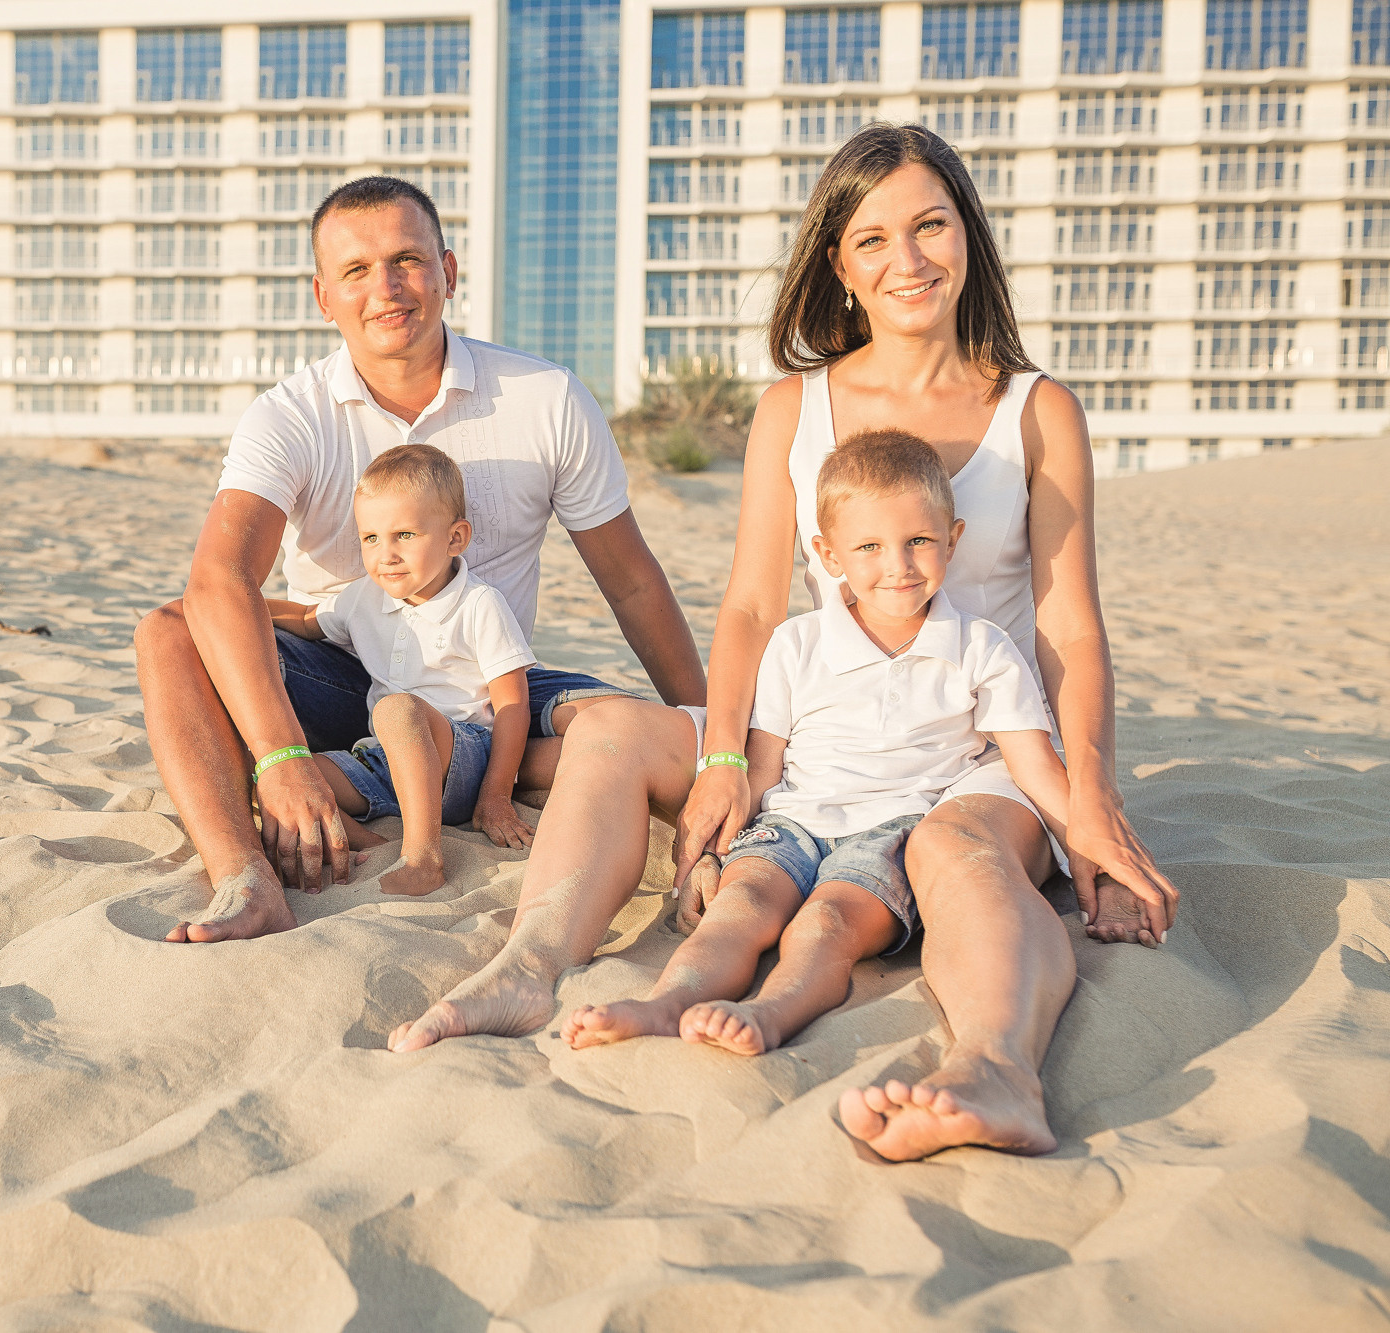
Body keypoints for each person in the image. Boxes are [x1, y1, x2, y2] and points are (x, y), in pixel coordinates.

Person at [387, 124, 1179, 1164]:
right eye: (873, 240)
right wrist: (724, 757)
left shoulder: (1036, 410)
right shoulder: (793, 406)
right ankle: (530, 965)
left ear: (968, 237)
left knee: (951, 849)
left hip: (976, 747)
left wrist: (1094, 803)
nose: (907, 260)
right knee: (609, 732)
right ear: (839, 266)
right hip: (813, 729)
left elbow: (1069, 623)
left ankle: (995, 1069)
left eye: (930, 226)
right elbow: (753, 608)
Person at [136, 175, 706, 944]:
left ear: (448, 271)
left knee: (651, 731)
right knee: (169, 631)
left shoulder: (544, 396)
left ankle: (505, 772)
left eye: (407, 259)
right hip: (344, 675)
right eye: (356, 270)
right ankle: (246, 876)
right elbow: (219, 579)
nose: (386, 287)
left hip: (490, 677)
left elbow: (633, 583)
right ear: (323, 296)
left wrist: (713, 735)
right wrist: (281, 756)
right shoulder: (289, 415)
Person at [563, 428, 1073, 1055]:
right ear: (829, 555)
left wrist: (1097, 855)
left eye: (919, 541)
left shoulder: (981, 648)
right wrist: (714, 852)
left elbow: (1034, 767)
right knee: (738, 908)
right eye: (870, 546)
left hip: (894, 834)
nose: (898, 565)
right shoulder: (796, 643)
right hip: (792, 822)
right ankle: (665, 1005)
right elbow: (762, 766)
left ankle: (774, 1013)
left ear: (954, 539)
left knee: (826, 925)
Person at [267, 444, 539, 897]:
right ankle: (370, 843)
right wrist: (234, 603)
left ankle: (423, 859)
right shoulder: (364, 597)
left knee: (396, 709)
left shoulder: (479, 604)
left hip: (461, 757)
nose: (386, 554)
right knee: (283, 776)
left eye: (405, 535)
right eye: (371, 538)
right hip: (383, 763)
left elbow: (513, 704)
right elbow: (308, 620)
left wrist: (496, 795)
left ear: (455, 538)